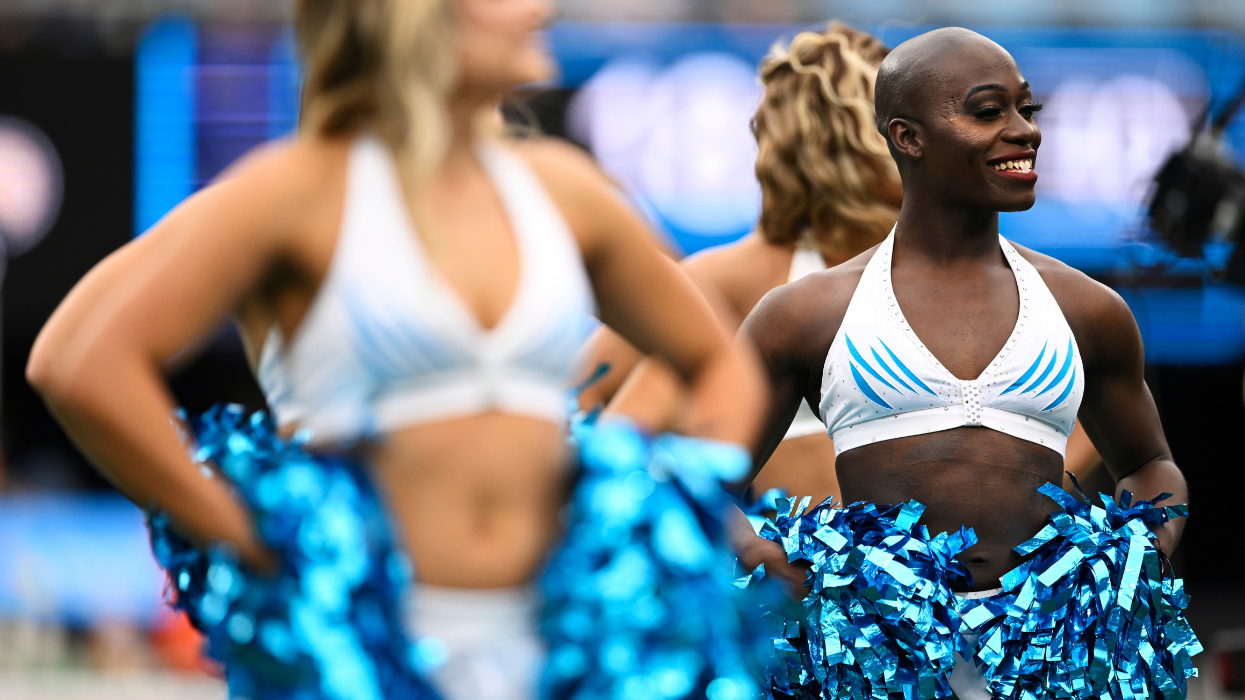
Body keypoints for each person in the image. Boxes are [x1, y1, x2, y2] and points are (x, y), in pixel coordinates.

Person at [25, 0, 764, 698]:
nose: (540, 8)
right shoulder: (294, 191)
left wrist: (657, 513)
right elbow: (78, 363)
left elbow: (716, 359)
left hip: (558, 646)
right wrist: (247, 539)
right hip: (363, 648)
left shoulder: (563, 192)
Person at [732, 27, 1191, 699]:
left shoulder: (1086, 309)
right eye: (987, 111)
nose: (1024, 131)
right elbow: (702, 473)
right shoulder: (804, 313)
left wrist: (1129, 559)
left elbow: (1150, 464)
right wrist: (763, 556)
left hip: (1048, 670)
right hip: (878, 669)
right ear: (907, 137)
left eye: (1026, 109)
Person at [578, 23, 902, 509]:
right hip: (771, 556)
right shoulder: (731, 279)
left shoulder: (966, 269)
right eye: (903, 121)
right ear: (848, 140)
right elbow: (576, 404)